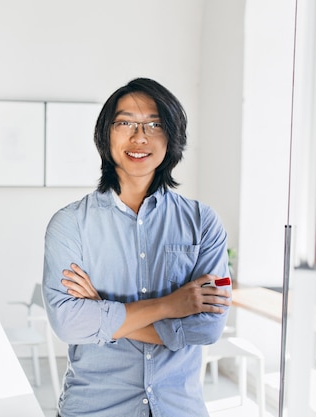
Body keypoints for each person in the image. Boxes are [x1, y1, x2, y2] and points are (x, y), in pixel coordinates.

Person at [42, 77, 232, 417]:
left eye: (154, 124)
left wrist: (102, 311)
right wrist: (171, 305)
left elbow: (207, 328)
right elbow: (69, 324)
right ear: (105, 134)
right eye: (125, 122)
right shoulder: (69, 224)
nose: (139, 137)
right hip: (96, 409)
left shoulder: (203, 221)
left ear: (172, 136)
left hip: (179, 408)